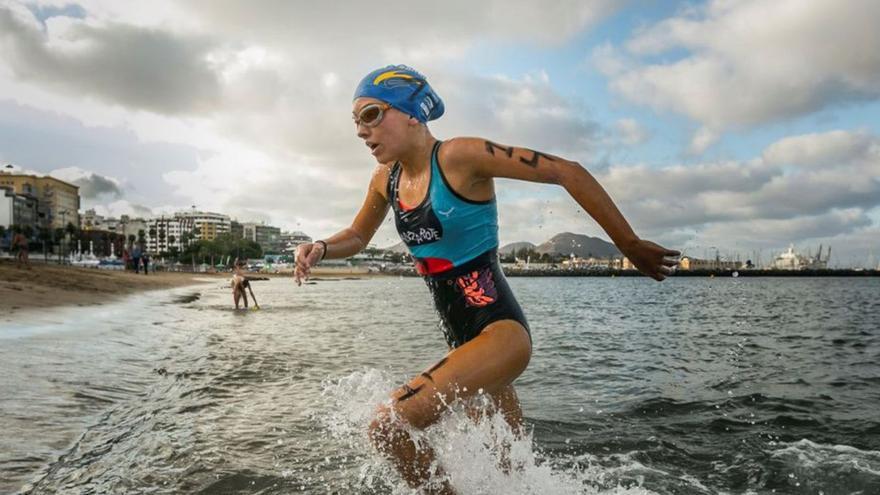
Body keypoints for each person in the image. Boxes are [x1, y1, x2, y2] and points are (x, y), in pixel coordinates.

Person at [294, 65, 680, 493]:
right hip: (466, 347)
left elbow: (565, 171)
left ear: (410, 112)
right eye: (356, 121)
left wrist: (629, 244)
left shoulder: (460, 156)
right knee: (509, 478)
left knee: (388, 426)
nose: (361, 131)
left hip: (500, 334)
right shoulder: (386, 180)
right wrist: (322, 247)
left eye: (370, 115)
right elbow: (358, 235)